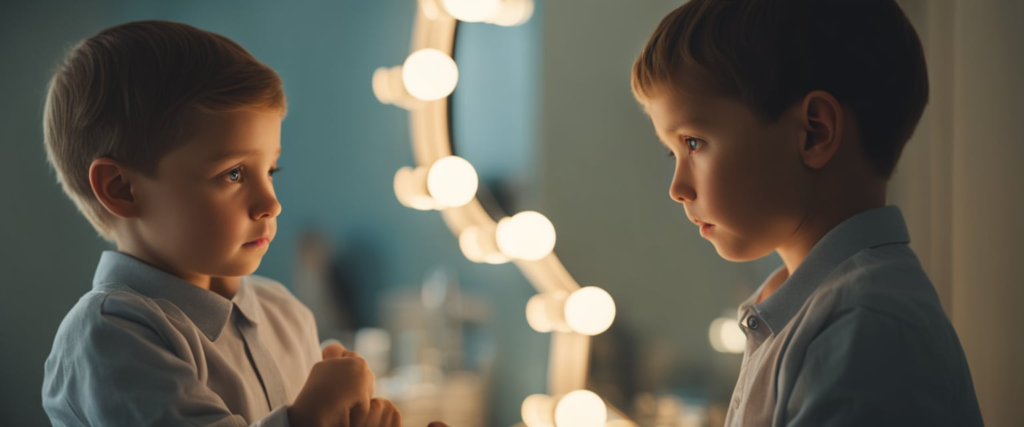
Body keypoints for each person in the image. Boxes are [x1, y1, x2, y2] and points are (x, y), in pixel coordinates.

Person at [40, 20, 444, 427]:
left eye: (271, 169)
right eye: (233, 174)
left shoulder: (285, 313)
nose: (271, 203)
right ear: (122, 189)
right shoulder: (109, 338)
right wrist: (309, 417)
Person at [630, 0, 983, 425]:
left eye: (693, 143)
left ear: (814, 132)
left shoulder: (865, 328)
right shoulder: (808, 310)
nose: (677, 189)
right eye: (673, 153)